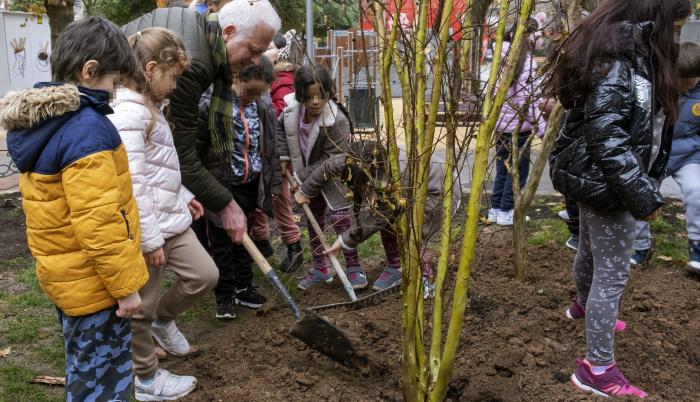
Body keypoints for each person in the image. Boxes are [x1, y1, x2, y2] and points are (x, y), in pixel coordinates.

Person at [0, 17, 148, 401]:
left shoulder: (49, 122)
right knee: (104, 385)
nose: (115, 93)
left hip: (69, 280)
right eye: (114, 82)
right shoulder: (87, 128)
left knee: (84, 373)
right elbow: (98, 222)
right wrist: (126, 288)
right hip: (98, 289)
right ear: (90, 70)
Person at [548, 0, 691, 397]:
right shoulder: (621, 59)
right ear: (657, 18)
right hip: (612, 185)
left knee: (591, 253)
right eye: (677, 27)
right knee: (611, 276)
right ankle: (598, 369)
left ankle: (582, 306)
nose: (677, 37)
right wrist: (641, 196)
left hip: (597, 179)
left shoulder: (622, 48)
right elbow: (607, 137)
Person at [124, 0, 281, 318]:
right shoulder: (194, 64)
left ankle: (148, 332)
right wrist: (226, 203)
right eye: (252, 50)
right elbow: (183, 155)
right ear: (229, 31)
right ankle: (140, 345)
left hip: (150, 179)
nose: (256, 60)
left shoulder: (198, 32)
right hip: (130, 185)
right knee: (140, 274)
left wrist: (183, 193)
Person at [109, 27, 220, 400]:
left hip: (172, 217)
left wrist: (184, 192)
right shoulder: (128, 113)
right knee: (141, 307)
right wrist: (151, 241)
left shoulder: (150, 106)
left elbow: (159, 169)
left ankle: (164, 320)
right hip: (149, 230)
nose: (175, 86)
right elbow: (134, 185)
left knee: (204, 275)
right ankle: (145, 379)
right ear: (152, 68)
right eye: (172, 78)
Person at [307, 141, 461, 292]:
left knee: (412, 233)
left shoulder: (390, 175)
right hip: (416, 191)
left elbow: (378, 216)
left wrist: (344, 241)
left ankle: (425, 281)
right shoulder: (356, 158)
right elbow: (329, 165)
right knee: (389, 214)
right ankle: (398, 267)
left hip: (440, 195)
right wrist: (304, 191)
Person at [278, 64, 367, 290]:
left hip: (334, 175)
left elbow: (334, 160)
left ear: (329, 92)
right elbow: (282, 130)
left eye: (321, 95)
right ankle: (320, 268)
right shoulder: (290, 112)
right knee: (313, 218)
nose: (316, 102)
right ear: (300, 95)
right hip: (304, 172)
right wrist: (283, 156)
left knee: (340, 218)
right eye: (310, 97)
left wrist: (301, 178)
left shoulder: (337, 120)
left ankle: (354, 268)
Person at [632, 41, 700, 276]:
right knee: (643, 196)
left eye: (692, 79)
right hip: (657, 156)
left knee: (696, 192)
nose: (687, 84)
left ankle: (697, 249)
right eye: (683, 78)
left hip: (688, 156)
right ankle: (641, 247)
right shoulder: (658, 88)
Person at [487, 19, 547, 226]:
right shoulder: (525, 62)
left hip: (502, 125)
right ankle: (507, 211)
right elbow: (527, 99)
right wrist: (540, 127)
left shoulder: (501, 57)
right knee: (518, 172)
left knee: (502, 168)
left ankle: (495, 209)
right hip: (519, 127)